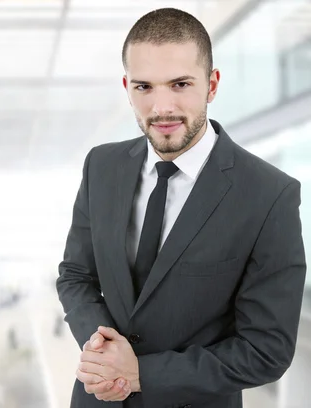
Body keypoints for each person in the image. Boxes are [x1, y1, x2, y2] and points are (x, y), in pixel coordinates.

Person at [56, 7, 306, 408]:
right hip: (97, 399)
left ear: (212, 85)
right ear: (127, 87)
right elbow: (75, 275)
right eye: (144, 87)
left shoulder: (269, 196)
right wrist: (103, 347)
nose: (161, 107)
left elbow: (266, 350)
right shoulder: (101, 166)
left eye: (180, 84)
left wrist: (140, 373)